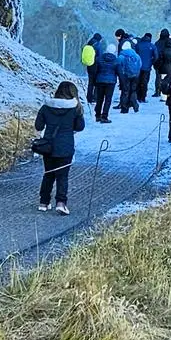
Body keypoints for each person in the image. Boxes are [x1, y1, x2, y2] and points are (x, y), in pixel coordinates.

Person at [34, 78, 85, 215]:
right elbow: (80, 127)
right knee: (62, 176)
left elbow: (38, 126)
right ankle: (61, 203)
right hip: (65, 146)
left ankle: (43, 202)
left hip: (48, 146)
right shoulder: (75, 108)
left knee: (48, 174)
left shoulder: (46, 106)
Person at [91, 36, 119, 123]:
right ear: (114, 51)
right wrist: (122, 82)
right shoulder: (116, 61)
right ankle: (104, 116)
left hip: (100, 81)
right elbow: (119, 72)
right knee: (108, 99)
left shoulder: (99, 59)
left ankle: (97, 115)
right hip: (111, 82)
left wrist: (94, 80)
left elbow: (96, 70)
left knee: (99, 98)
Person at [116, 35, 142, 114]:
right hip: (135, 75)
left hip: (126, 76)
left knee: (125, 91)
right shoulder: (136, 56)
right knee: (133, 90)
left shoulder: (121, 56)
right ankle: (135, 105)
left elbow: (118, 65)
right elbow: (140, 65)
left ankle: (124, 108)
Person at [152, 28, 171, 95]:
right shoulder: (170, 42)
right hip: (169, 63)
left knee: (158, 77)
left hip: (158, 62)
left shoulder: (157, 43)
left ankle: (157, 91)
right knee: (169, 77)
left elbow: (155, 52)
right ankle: (168, 91)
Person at [135, 31, 156, 102]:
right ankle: (143, 97)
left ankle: (138, 96)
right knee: (144, 82)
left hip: (138, 67)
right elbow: (156, 56)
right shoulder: (152, 46)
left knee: (138, 81)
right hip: (147, 67)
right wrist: (151, 62)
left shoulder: (138, 45)